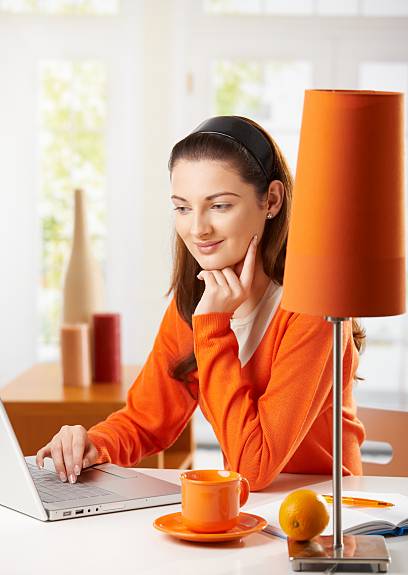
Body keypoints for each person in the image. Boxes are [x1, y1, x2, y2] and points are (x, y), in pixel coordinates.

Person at [36, 115, 366, 491]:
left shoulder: (312, 308)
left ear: (271, 200)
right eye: (182, 207)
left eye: (220, 205)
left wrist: (213, 327)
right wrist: (92, 445)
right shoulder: (196, 301)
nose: (198, 228)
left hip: (326, 515)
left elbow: (253, 467)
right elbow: (146, 420)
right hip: (254, 513)